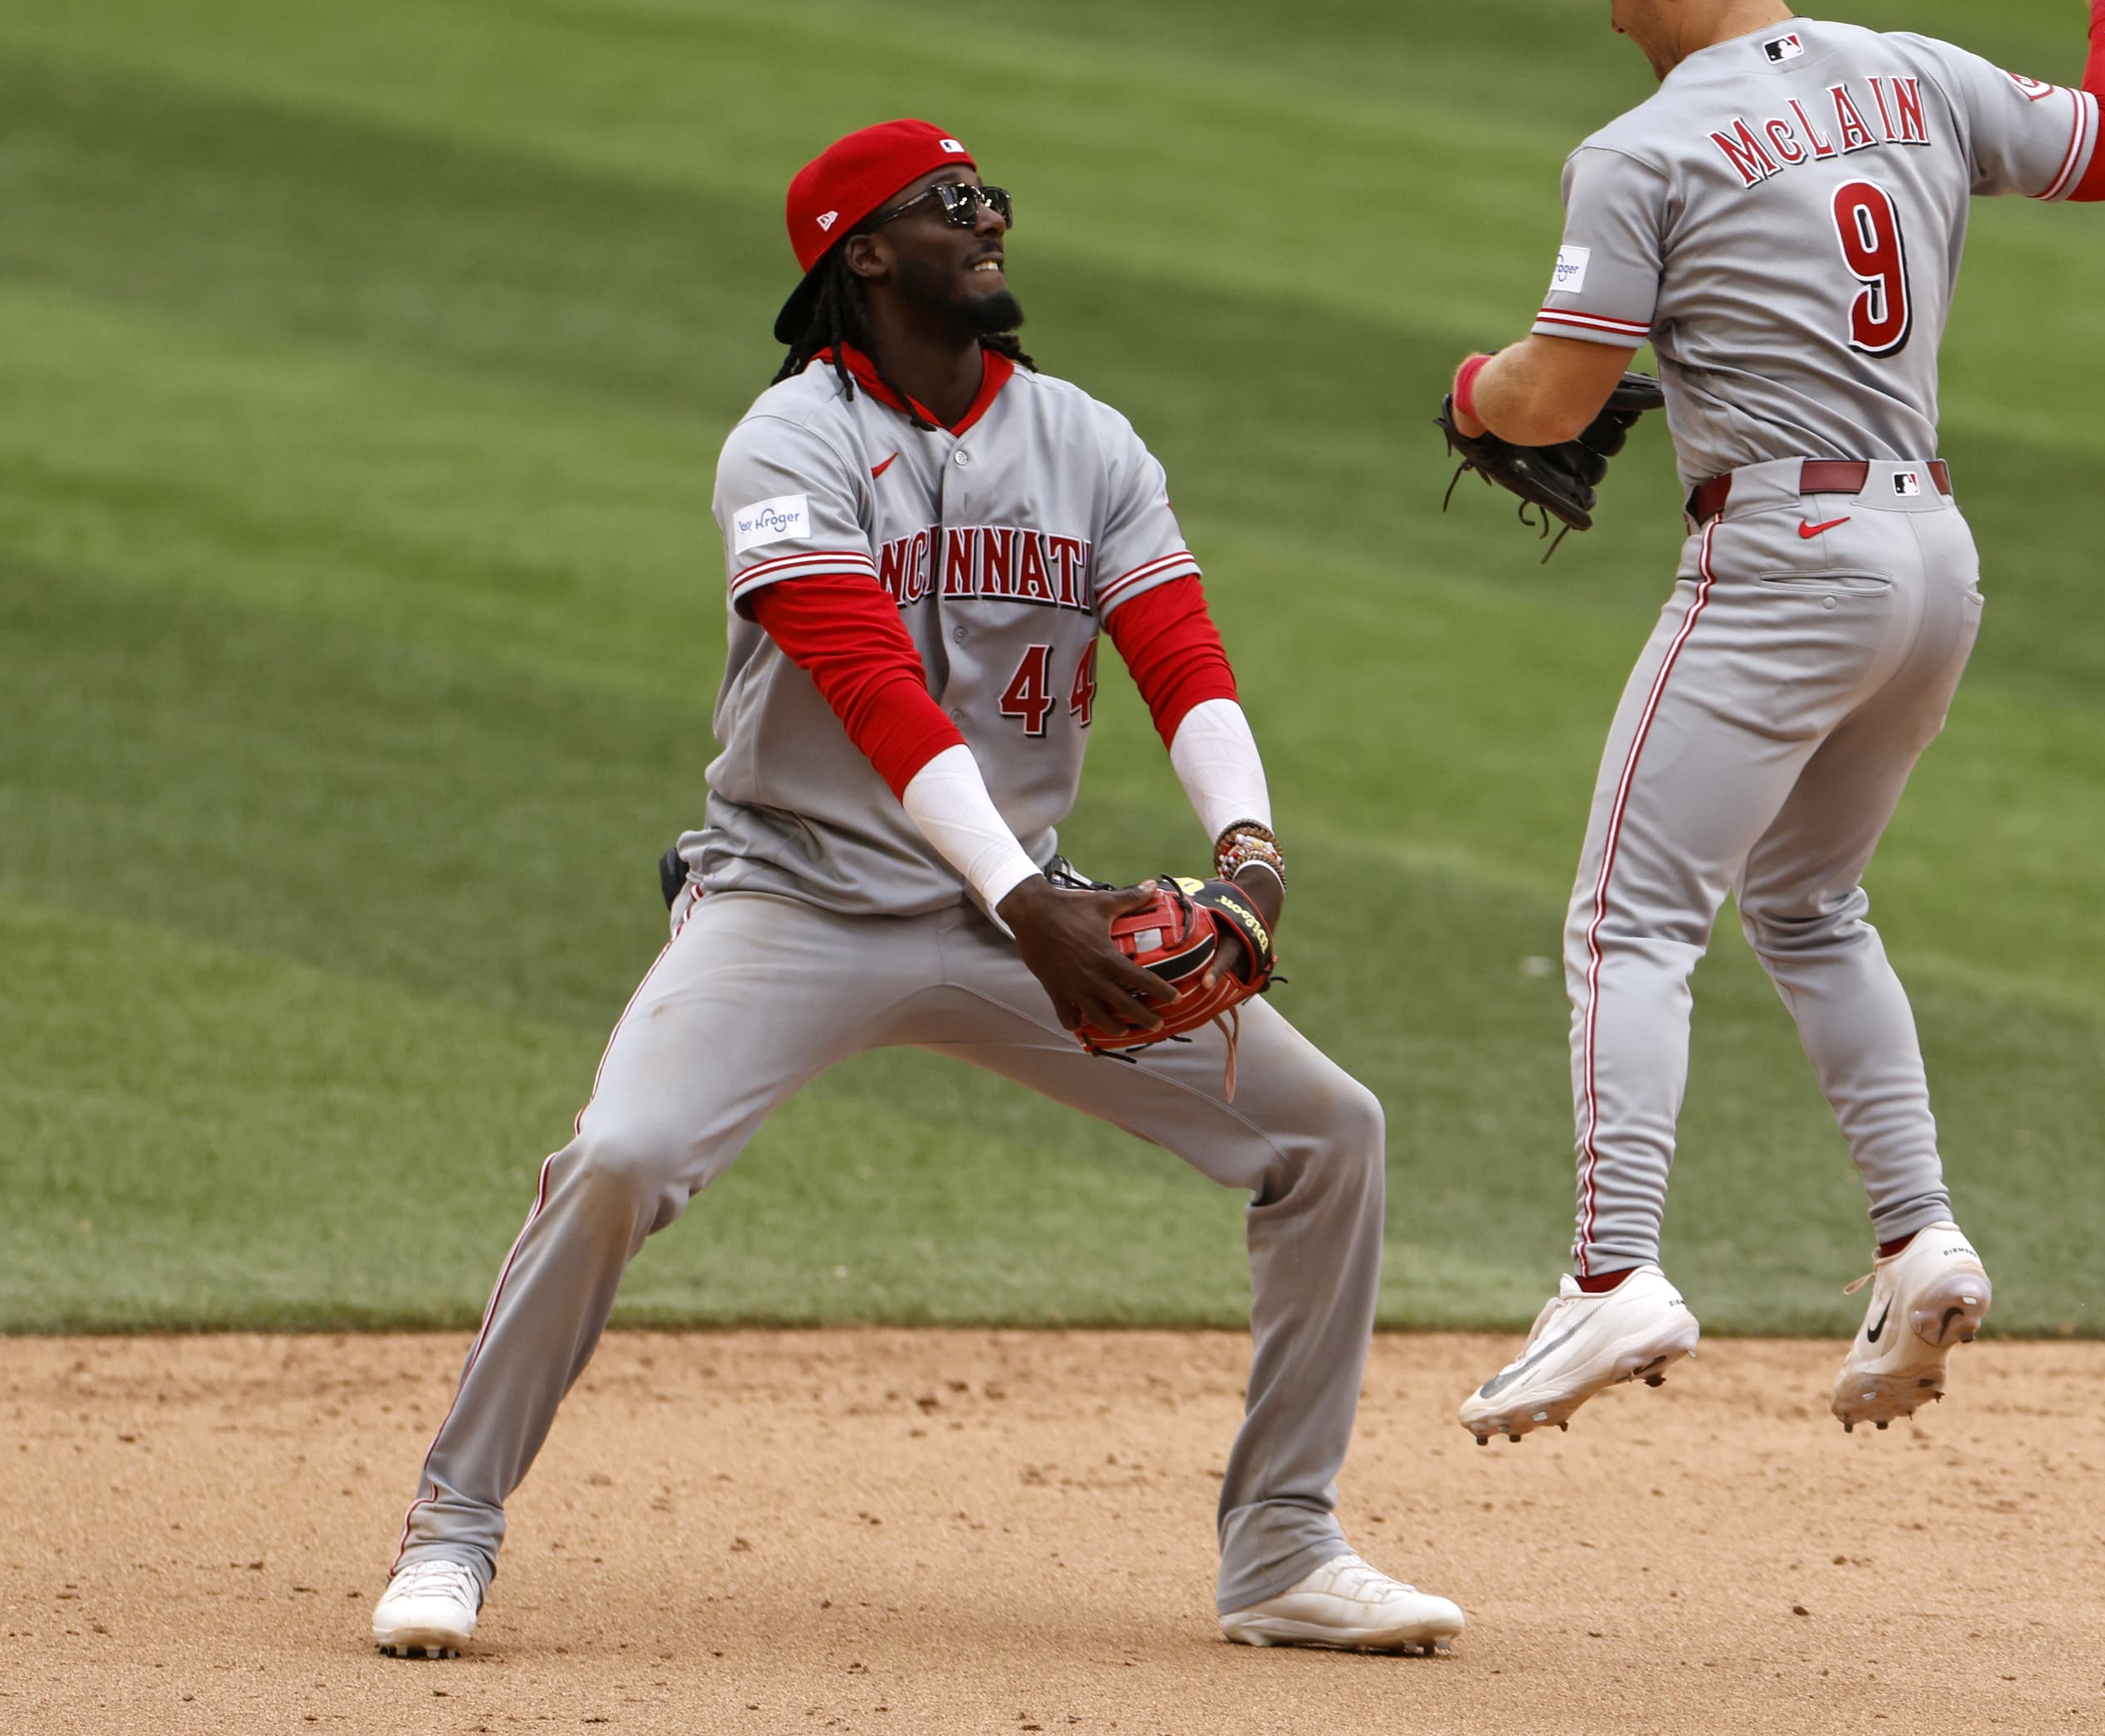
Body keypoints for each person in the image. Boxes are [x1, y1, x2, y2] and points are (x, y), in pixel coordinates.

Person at [371, 119, 1463, 1657]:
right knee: (621, 1155)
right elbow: (877, 694)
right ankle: (453, 1531)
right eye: (949, 202)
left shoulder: (1091, 443)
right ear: (861, 254)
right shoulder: (788, 445)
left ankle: (1283, 1545)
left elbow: (1183, 664)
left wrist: (1252, 863)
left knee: (1328, 1133)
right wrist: (1034, 907)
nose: (989, 214)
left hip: (1022, 920)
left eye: (991, 193)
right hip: (796, 903)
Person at [1451, 0, 2105, 1442]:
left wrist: (1471, 393)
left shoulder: (1640, 152)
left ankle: (1610, 1273)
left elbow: (1555, 400)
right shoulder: (1910, 74)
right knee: (1807, 897)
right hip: (1931, 558)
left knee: (1628, 922)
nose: (1610, 21)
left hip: (1784, 559)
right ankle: (1920, 1240)